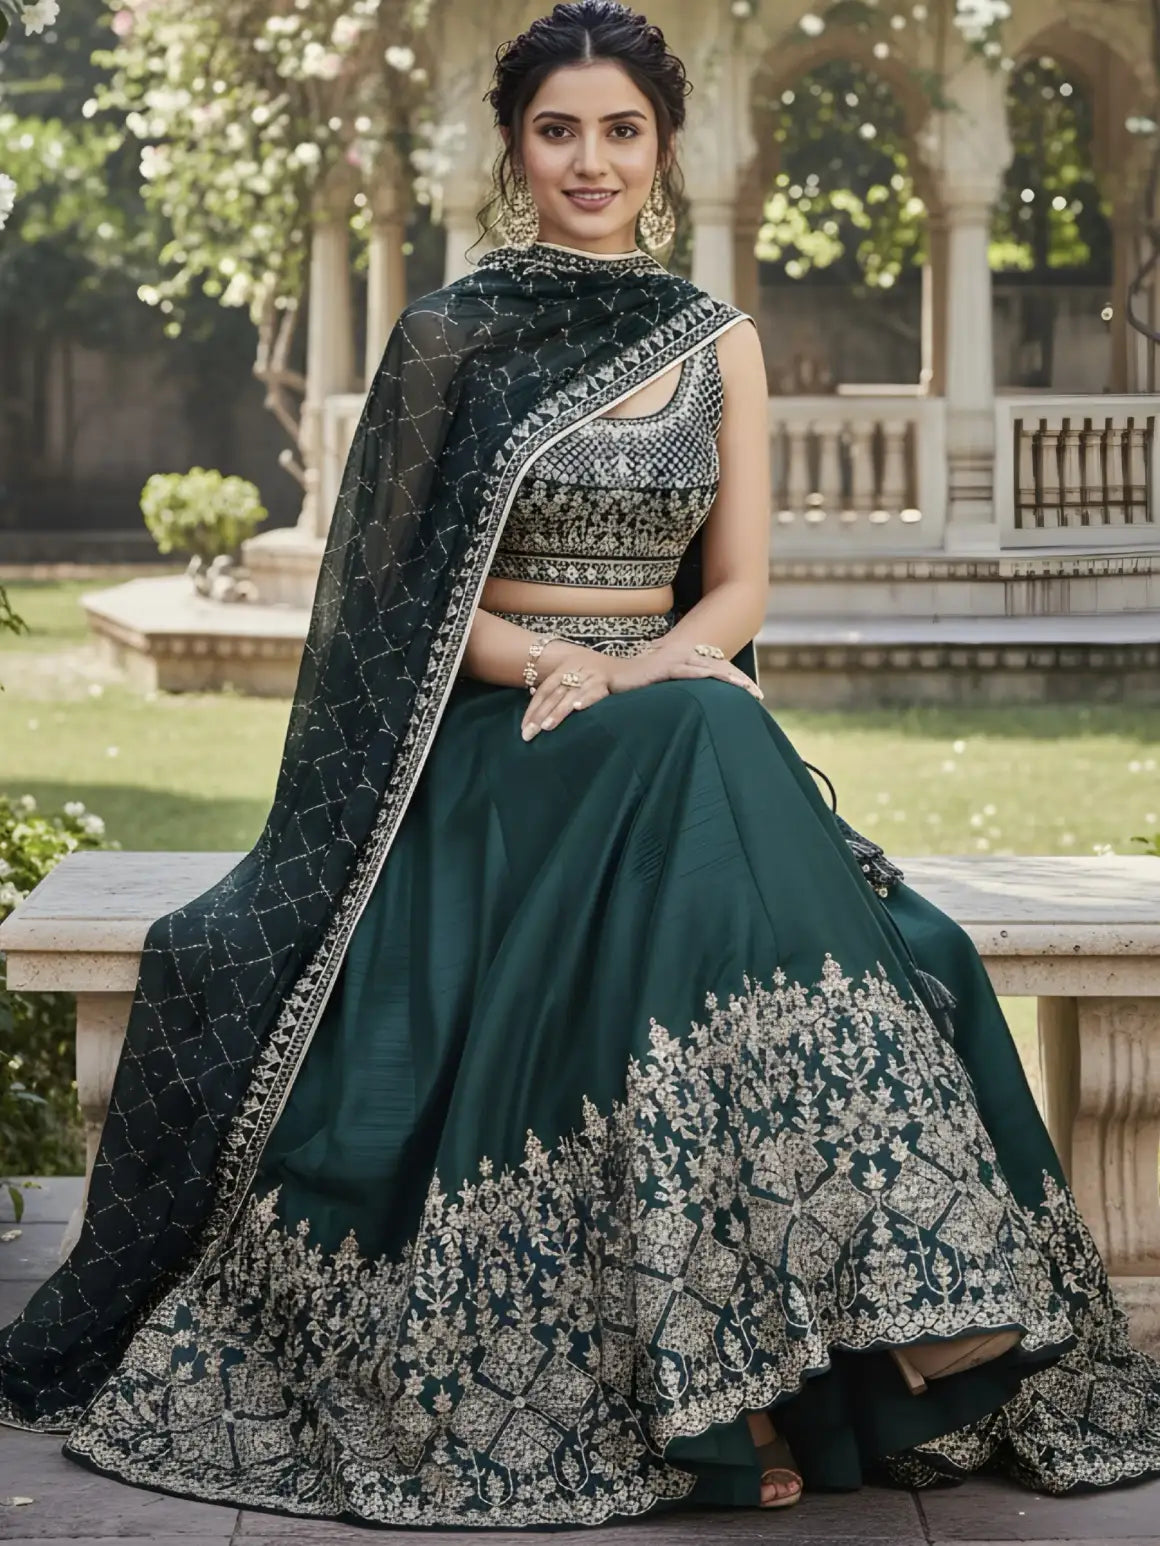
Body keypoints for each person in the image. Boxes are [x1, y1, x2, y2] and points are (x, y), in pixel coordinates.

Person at [2, 0, 1159, 1528]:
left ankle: (807, 1341)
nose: (591, 159)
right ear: (515, 147)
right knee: (714, 736)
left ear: (667, 149)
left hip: (661, 710)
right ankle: (863, 1316)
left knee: (730, 738)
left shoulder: (715, 341)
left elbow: (737, 593)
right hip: (490, 733)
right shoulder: (449, 339)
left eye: (622, 130)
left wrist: (631, 669)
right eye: (561, 130)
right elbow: (396, 598)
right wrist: (558, 664)